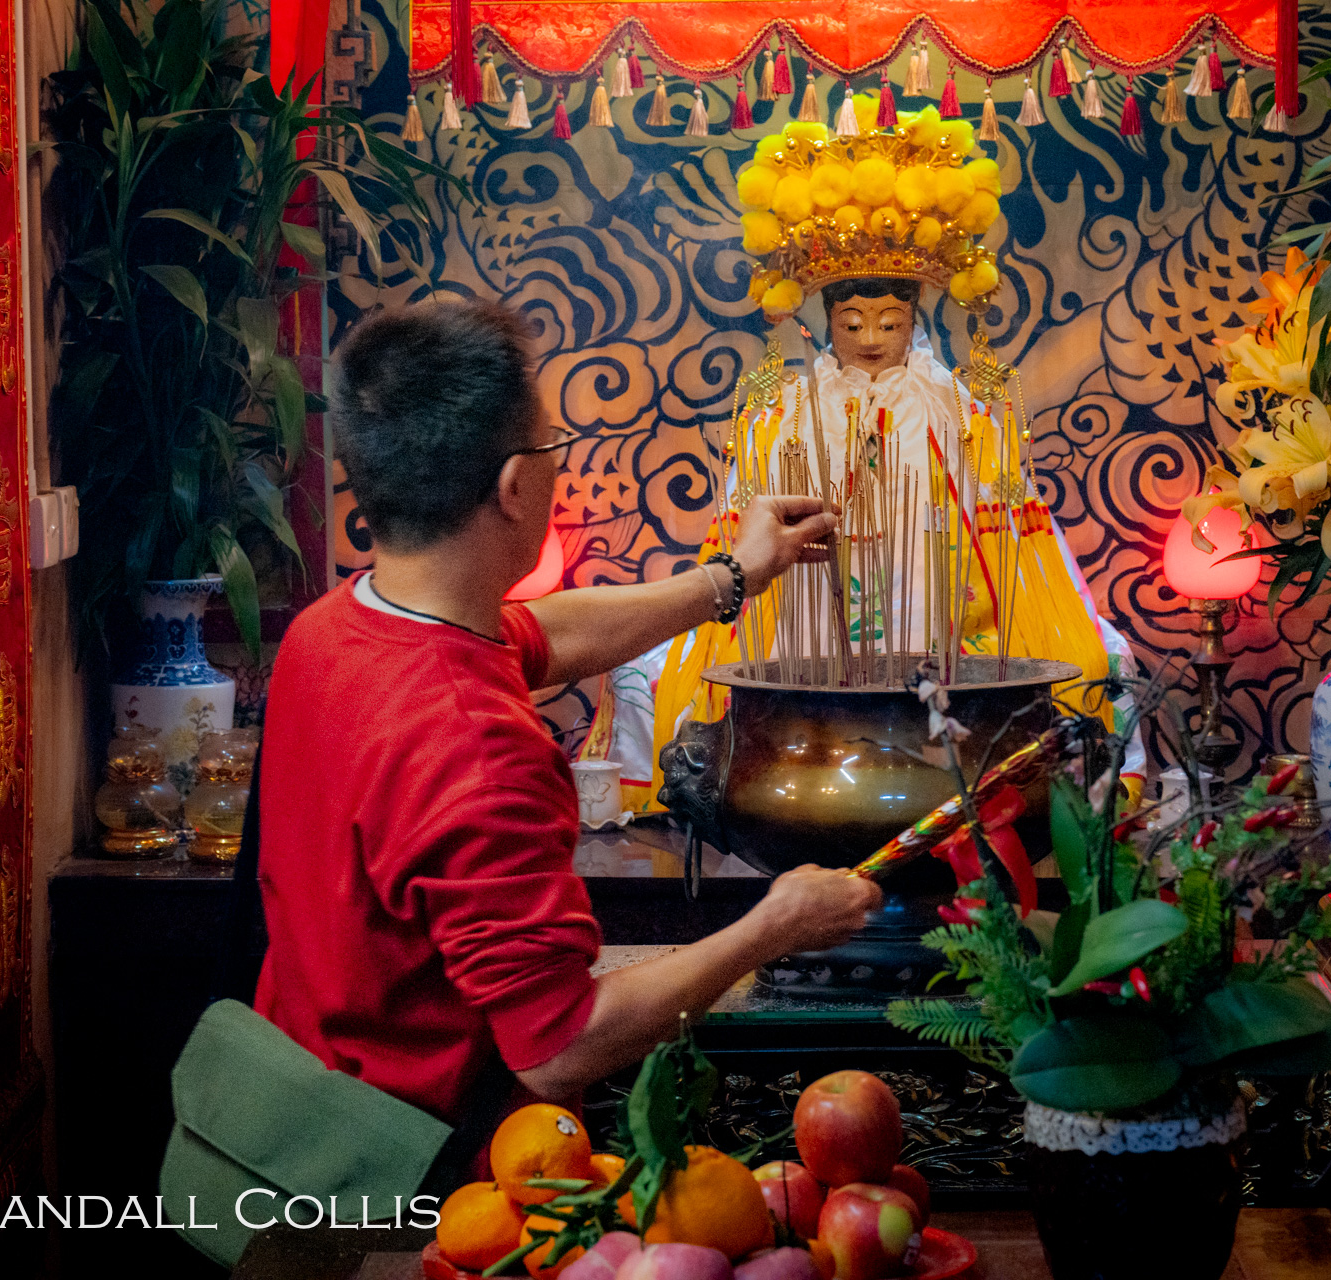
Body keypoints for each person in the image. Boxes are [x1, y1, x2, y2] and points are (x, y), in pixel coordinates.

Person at [253, 298, 882, 1122]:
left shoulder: (334, 628)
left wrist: (732, 577)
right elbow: (559, 1047)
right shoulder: (476, 747)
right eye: (552, 447)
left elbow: (535, 634)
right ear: (515, 486)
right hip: (427, 1168)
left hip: (304, 1097)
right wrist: (773, 927)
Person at [612, 276, 1149, 812]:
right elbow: (741, 536)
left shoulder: (960, 413)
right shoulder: (784, 418)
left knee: (1101, 661)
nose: (870, 336)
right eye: (852, 322)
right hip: (797, 622)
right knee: (643, 676)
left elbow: (1013, 533)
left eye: (889, 322)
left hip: (954, 616)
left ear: (913, 321)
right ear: (829, 323)